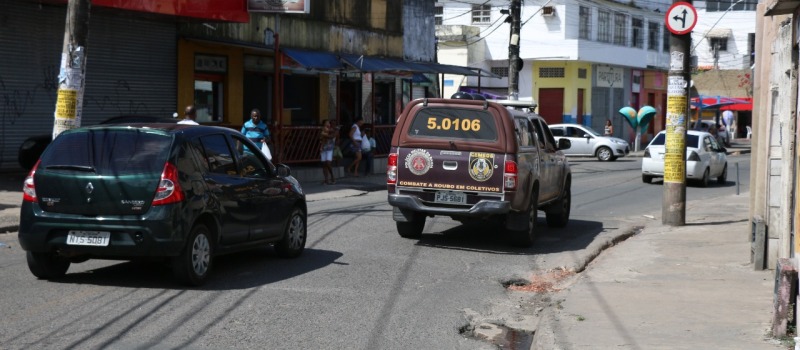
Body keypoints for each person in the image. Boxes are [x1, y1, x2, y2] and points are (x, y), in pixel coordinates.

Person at [319, 119, 336, 185]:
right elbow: (321, 137)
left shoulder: (331, 130)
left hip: (330, 148)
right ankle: (326, 179)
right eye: (327, 123)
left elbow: (332, 136)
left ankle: (332, 176)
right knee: (324, 164)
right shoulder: (323, 129)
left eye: (329, 123)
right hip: (323, 148)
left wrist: (325, 135)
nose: (328, 124)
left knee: (328, 163)